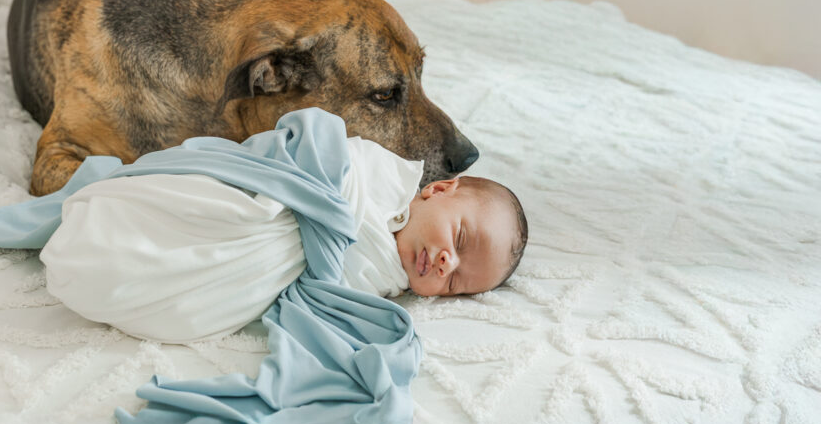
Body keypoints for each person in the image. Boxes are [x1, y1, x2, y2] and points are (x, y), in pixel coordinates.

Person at [40, 135, 528, 344]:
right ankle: (115, 231)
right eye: (459, 238)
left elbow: (317, 296)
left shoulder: (380, 290)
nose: (446, 263)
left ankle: (117, 271)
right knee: (209, 212)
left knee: (179, 287)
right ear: (438, 189)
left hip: (256, 264)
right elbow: (313, 151)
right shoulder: (374, 172)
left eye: (457, 283)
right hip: (263, 205)